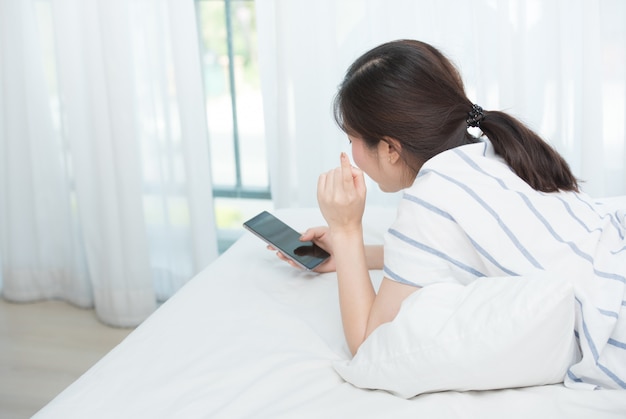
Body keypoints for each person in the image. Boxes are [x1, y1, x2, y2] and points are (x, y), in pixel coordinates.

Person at [272, 39, 626, 390]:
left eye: (352, 138)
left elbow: (370, 345)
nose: (351, 153)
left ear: (390, 149)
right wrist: (356, 257)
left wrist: (346, 227)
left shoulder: (430, 197)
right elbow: (446, 253)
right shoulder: (492, 151)